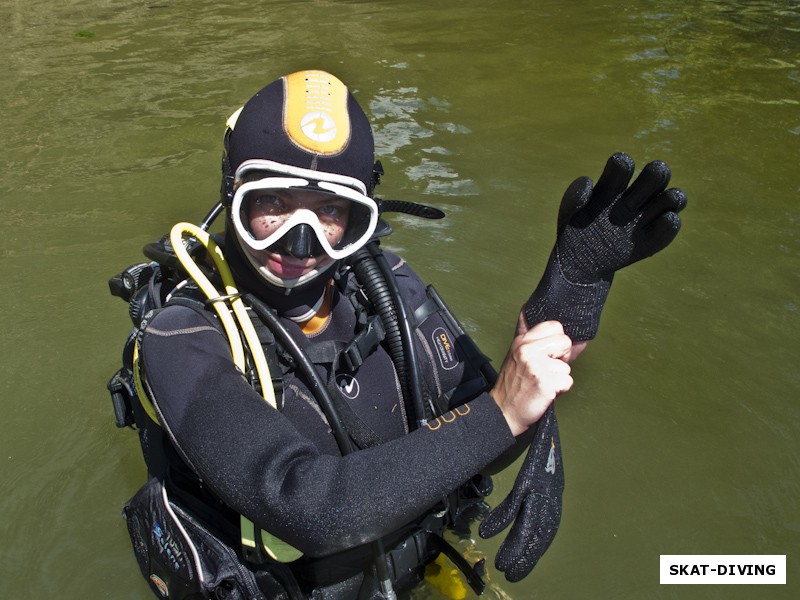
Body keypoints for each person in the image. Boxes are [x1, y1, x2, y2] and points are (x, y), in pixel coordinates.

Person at [108, 69, 686, 600]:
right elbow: (311, 506)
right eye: (274, 205)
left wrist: (546, 339)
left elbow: (489, 425)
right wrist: (503, 412)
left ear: (363, 213)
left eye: (330, 211)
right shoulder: (180, 335)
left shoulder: (388, 289)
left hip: (404, 573)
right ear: (233, 193)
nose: (299, 243)